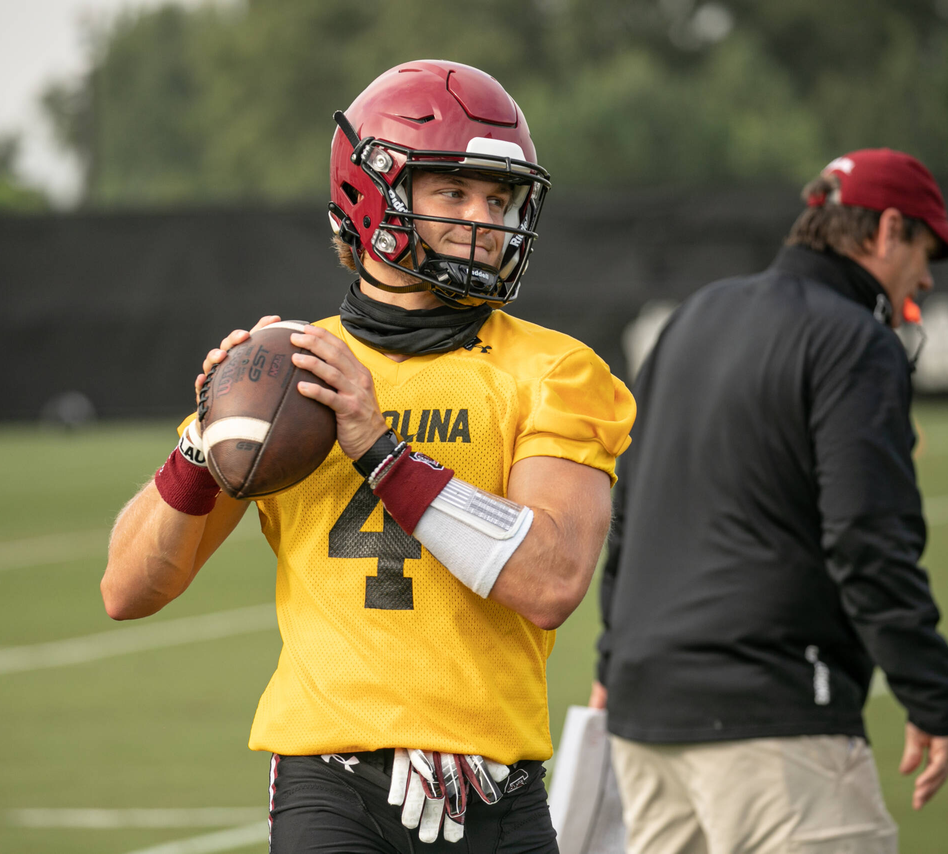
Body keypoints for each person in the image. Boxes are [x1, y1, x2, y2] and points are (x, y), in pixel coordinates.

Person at [102, 59, 635, 853]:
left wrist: (383, 452)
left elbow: (551, 581)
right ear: (373, 191)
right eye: (452, 192)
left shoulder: (557, 369)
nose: (484, 220)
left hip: (495, 784)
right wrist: (200, 443)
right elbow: (128, 590)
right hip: (331, 781)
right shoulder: (289, 373)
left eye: (499, 198)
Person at [591, 148, 948, 854]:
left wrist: (614, 660)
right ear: (887, 229)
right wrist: (930, 690)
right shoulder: (855, 339)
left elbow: (628, 511)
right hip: (773, 720)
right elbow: (865, 537)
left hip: (646, 717)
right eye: (925, 250)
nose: (924, 277)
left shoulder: (694, 316)